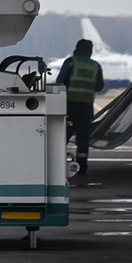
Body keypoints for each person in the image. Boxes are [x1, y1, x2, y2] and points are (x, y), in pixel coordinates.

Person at [56, 37, 104, 179]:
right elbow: (99, 86)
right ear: (90, 51)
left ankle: (58, 164)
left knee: (61, 137)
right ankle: (82, 166)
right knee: (83, 139)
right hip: (86, 107)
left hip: (69, 106)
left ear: (76, 49)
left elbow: (60, 81)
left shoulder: (71, 62)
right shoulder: (96, 66)